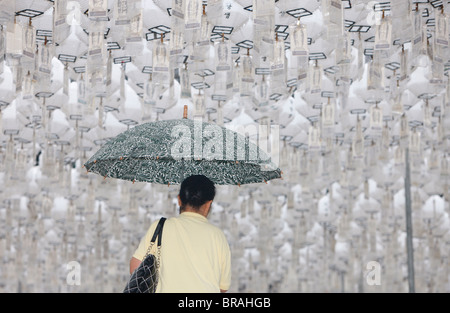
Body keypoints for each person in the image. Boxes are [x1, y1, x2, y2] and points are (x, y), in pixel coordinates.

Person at [129, 175, 231, 293]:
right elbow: (223, 287)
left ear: (179, 200)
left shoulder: (161, 226)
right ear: (209, 204)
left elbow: (135, 268)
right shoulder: (218, 236)